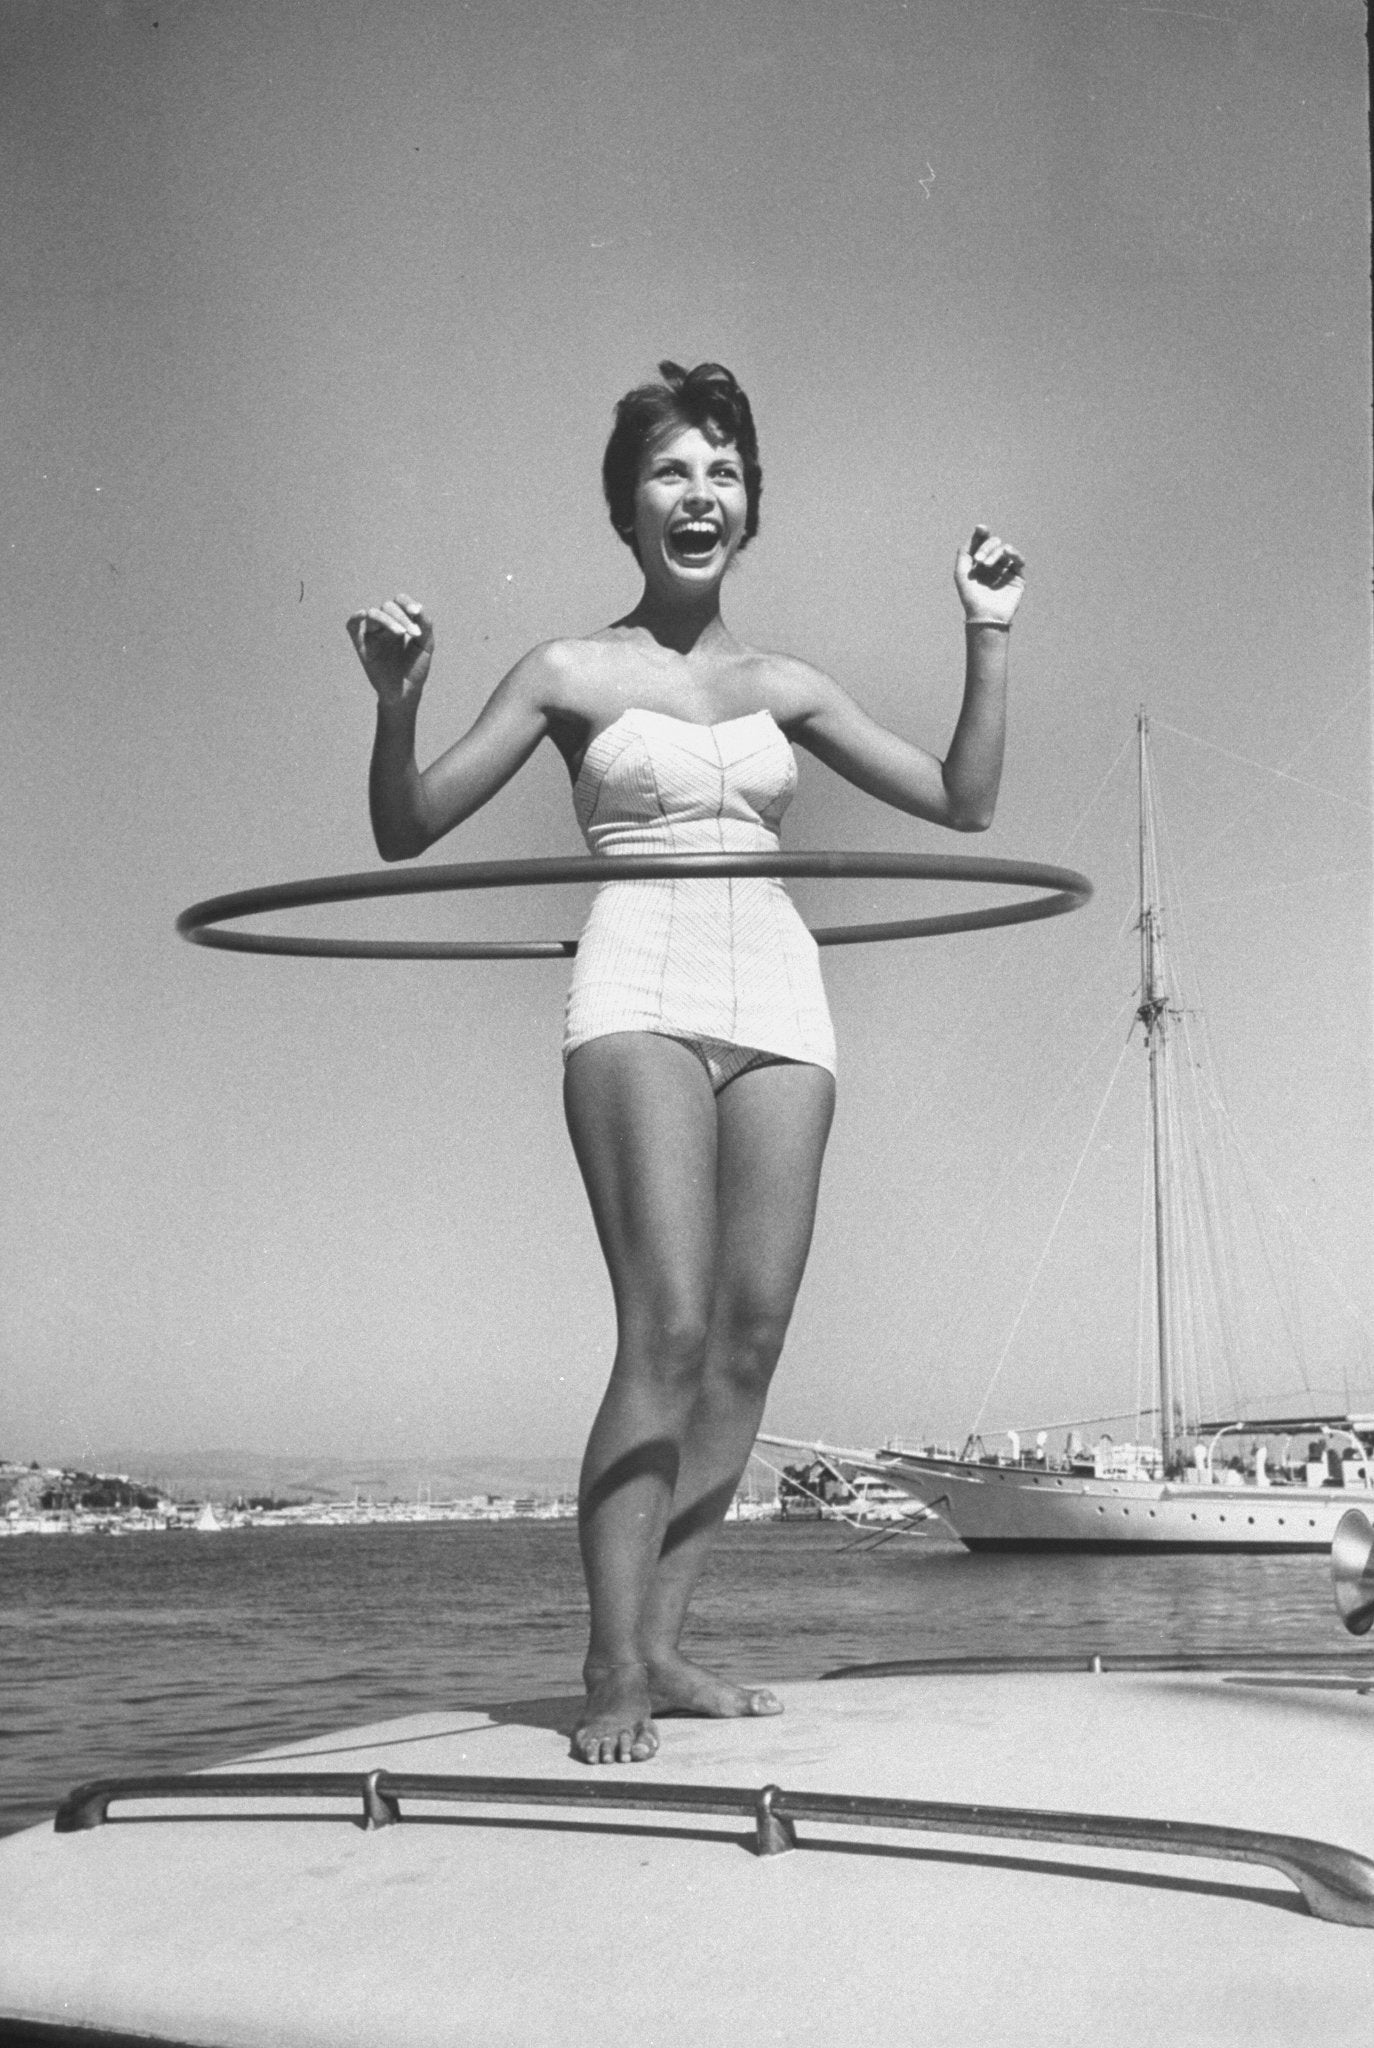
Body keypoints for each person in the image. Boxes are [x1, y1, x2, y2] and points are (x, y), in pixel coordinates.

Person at [348, 360, 1024, 1765]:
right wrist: (396, 698)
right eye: (670, 470)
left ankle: (666, 1639)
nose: (697, 493)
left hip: (777, 981)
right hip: (639, 975)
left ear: (747, 506)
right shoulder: (563, 672)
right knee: (661, 1326)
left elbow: (964, 802)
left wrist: (988, 630)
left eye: (720, 471)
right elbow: (405, 831)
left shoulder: (786, 684)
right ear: (627, 504)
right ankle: (607, 1664)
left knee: (752, 1336)